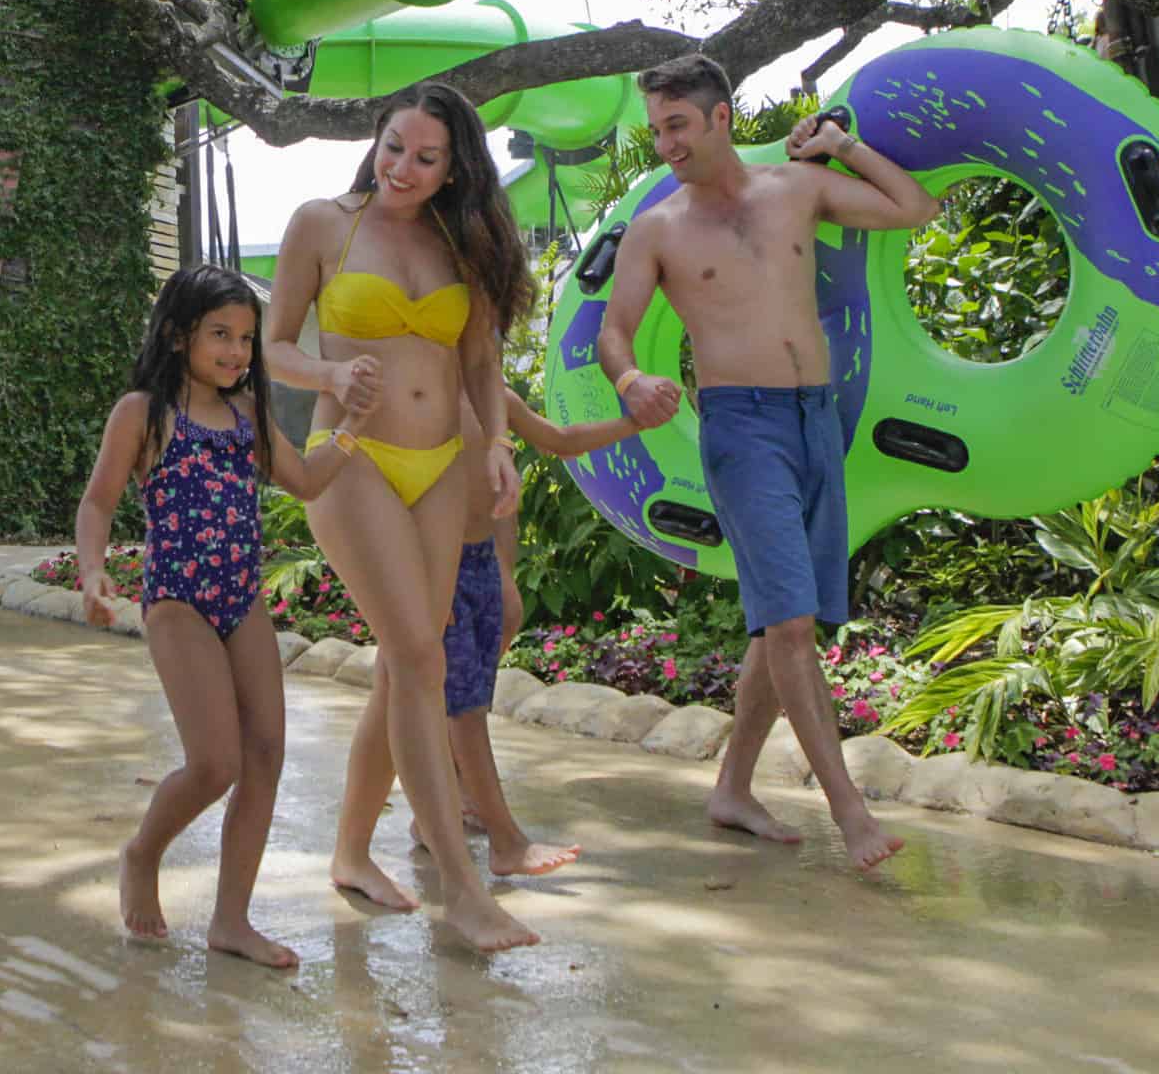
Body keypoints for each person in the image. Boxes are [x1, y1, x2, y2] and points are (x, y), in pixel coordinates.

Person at [596, 53, 937, 872]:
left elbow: (914, 207)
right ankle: (850, 812)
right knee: (789, 624)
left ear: (720, 118)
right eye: (656, 130)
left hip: (817, 419)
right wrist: (633, 375)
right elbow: (614, 330)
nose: (666, 145)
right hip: (741, 427)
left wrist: (839, 146)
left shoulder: (796, 188)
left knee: (784, 617)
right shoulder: (659, 228)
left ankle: (733, 789)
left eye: (678, 125)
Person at [264, 82, 538, 953]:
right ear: (373, 139)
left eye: (426, 157)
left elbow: (481, 359)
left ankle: (350, 852)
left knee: (401, 666)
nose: (403, 169)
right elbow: (273, 343)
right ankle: (462, 885)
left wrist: (496, 443)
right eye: (393, 146)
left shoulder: (464, 242)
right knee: (420, 655)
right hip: (353, 459)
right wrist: (329, 378)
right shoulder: (322, 223)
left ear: (455, 166)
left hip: (444, 467)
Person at [73, 266, 357, 969]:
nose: (236, 351)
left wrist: (354, 422)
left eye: (246, 338)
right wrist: (93, 567)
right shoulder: (143, 412)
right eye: (220, 335)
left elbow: (307, 480)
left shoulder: (247, 414)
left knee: (265, 756)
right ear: (179, 335)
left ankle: (232, 920)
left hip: (240, 600)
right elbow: (97, 502)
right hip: (178, 602)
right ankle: (143, 853)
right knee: (214, 763)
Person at [373, 381, 667, 877]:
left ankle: (432, 818)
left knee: (459, 700)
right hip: (434, 564)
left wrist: (633, 423)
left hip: (480, 562)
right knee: (463, 709)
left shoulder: (494, 399)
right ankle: (506, 839)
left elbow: (559, 440)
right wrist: (411, 575)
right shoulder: (417, 396)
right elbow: (388, 491)